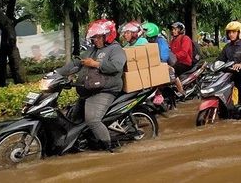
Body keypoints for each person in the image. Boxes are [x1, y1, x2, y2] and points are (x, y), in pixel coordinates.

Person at [55, 19, 126, 152]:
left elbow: (117, 66)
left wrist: (96, 64)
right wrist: (56, 73)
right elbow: (77, 63)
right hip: (88, 90)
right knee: (73, 119)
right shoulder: (91, 50)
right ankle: (84, 142)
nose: (96, 40)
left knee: (92, 120)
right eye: (94, 37)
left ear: (107, 36)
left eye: (99, 37)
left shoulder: (116, 49)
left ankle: (109, 149)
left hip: (106, 90)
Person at [143, 22, 184, 96]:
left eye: (145, 30)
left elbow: (164, 56)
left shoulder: (160, 41)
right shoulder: (148, 40)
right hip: (155, 63)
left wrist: (159, 63)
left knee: (172, 74)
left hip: (167, 62)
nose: (143, 32)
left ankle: (181, 92)